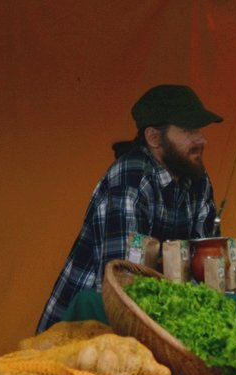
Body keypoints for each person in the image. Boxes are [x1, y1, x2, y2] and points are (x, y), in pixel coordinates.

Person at [37, 84, 223, 333]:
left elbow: (205, 263)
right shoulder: (130, 178)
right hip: (83, 329)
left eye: (199, 129)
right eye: (188, 130)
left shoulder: (196, 179)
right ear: (154, 138)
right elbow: (120, 281)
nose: (201, 139)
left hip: (153, 322)